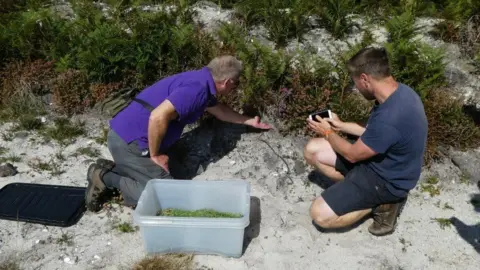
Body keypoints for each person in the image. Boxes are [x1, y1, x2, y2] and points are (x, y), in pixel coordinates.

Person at [85, 55, 272, 212]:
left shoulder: (200, 81)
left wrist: (248, 121)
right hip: (131, 142)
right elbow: (157, 117)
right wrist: (156, 155)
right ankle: (105, 175)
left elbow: (220, 110)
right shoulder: (196, 90)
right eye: (236, 84)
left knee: (168, 182)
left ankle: (123, 168)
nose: (235, 88)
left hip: (127, 137)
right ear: (227, 82)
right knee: (167, 196)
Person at [303, 47, 428, 236]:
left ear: (364, 79)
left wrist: (327, 132)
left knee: (319, 215)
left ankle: (382, 204)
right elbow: (374, 131)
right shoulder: (400, 93)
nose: (356, 88)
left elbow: (352, 155)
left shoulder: (391, 116)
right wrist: (341, 125)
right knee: (313, 150)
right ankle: (357, 191)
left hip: (387, 182)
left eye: (355, 83)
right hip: (377, 163)